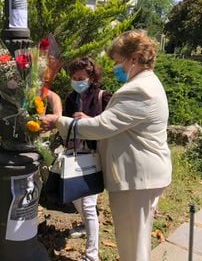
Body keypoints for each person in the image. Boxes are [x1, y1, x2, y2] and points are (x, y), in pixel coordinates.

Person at [41, 30, 172, 261]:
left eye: (117, 61)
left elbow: (102, 126)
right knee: (134, 240)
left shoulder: (139, 89)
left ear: (133, 58)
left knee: (133, 246)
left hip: (137, 180)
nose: (115, 67)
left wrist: (58, 121)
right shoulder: (144, 82)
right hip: (139, 177)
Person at [64, 57, 111, 261]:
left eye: (81, 77)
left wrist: (89, 121)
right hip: (75, 154)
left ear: (92, 77)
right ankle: (85, 224)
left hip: (95, 154)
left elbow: (112, 125)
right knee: (75, 196)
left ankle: (92, 256)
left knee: (89, 204)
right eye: (74, 78)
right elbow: (64, 123)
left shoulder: (104, 97)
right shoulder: (70, 98)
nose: (77, 81)